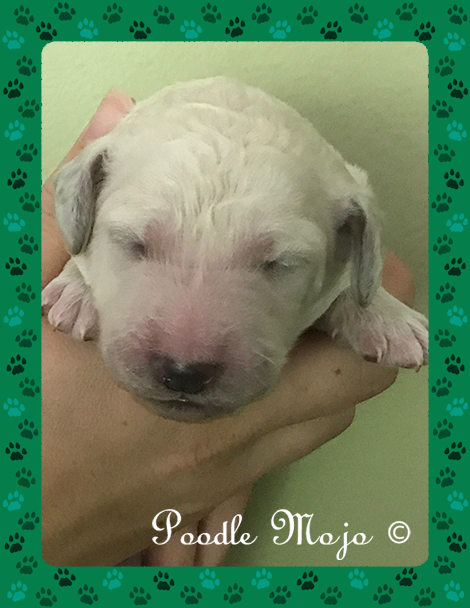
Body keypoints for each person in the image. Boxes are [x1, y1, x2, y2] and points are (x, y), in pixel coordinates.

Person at [42, 90, 416, 567]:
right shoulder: (103, 178)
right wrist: (78, 273)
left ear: (354, 236)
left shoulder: (342, 229)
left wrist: (361, 303)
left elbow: (341, 282)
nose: (185, 356)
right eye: (135, 244)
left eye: (275, 264)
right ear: (86, 196)